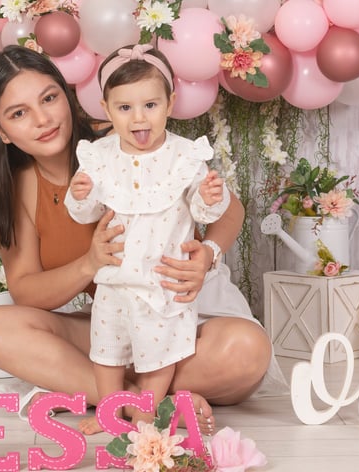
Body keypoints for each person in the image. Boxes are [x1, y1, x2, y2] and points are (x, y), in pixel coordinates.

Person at [0, 44, 286, 437]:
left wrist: (208, 253)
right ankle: (145, 405)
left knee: (246, 350)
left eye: (49, 98)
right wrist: (89, 263)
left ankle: (97, 391)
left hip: (183, 316)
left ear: (67, 96)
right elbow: (27, 291)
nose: (42, 119)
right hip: (112, 324)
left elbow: (229, 209)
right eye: (19, 113)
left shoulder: (127, 134)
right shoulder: (17, 189)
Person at [64, 44, 230, 433]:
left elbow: (202, 213)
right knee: (107, 349)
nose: (139, 117)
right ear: (106, 110)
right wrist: (81, 194)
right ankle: (109, 412)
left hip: (162, 279)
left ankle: (145, 411)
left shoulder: (184, 156)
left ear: (170, 103)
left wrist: (209, 198)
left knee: (159, 351)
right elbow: (85, 214)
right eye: (125, 108)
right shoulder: (100, 156)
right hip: (114, 277)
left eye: (150, 105)